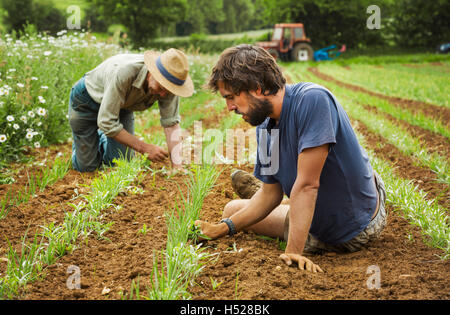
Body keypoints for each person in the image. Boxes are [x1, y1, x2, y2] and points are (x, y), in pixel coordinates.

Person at [195, 44, 387, 273]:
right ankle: (289, 199)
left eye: (231, 97)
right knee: (230, 210)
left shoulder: (313, 100)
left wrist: (293, 252)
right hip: (315, 220)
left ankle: (292, 199)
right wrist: (221, 229)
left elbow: (307, 186)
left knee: (301, 187)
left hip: (356, 227)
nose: (229, 107)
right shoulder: (265, 126)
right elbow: (269, 194)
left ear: (256, 88)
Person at [68, 48, 193, 172]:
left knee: (120, 163)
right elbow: (106, 122)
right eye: (161, 88)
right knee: (86, 167)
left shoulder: (169, 87)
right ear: (152, 72)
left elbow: (171, 124)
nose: (163, 95)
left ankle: (101, 138)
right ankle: (85, 142)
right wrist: (145, 148)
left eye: (168, 91)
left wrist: (177, 167)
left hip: (121, 107)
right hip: (86, 102)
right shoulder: (123, 73)